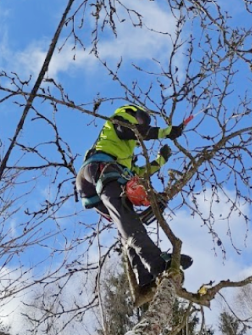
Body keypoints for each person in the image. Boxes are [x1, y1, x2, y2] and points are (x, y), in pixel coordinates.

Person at [76, 104, 192, 297]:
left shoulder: (124, 154)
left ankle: (144, 276)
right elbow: (132, 130)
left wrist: (160, 160)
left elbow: (139, 173)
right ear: (131, 113)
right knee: (126, 216)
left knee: (127, 221)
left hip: (96, 182)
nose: (142, 125)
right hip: (100, 168)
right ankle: (155, 262)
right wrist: (166, 132)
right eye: (141, 120)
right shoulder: (118, 122)